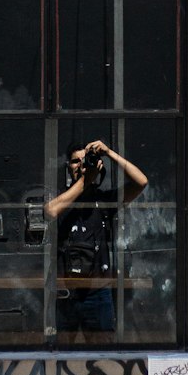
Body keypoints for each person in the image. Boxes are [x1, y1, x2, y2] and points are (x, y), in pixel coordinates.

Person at [45, 139, 147, 343]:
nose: (81, 166)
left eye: (86, 161)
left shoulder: (104, 201)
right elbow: (50, 211)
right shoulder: (62, 200)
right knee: (61, 354)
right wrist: (85, 181)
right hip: (66, 293)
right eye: (76, 162)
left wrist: (109, 153)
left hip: (98, 293)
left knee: (102, 353)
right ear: (68, 167)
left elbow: (141, 182)